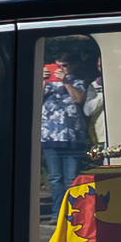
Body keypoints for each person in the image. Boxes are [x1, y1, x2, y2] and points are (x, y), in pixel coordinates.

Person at [37, 56, 89, 215]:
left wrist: (66, 81)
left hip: (72, 139)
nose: (60, 69)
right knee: (55, 179)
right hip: (50, 138)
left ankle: (73, 213)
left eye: (64, 66)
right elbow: (33, 100)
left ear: (71, 67)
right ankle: (57, 213)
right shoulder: (45, 84)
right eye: (57, 66)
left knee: (71, 179)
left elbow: (79, 99)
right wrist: (43, 80)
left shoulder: (77, 82)